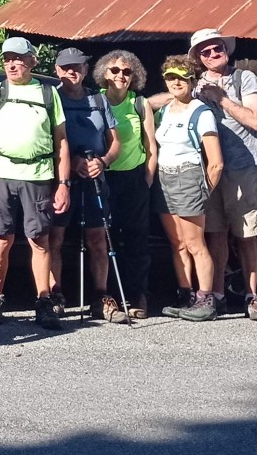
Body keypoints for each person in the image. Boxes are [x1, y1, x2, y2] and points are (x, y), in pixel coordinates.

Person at [0, 37, 71, 330]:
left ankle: (43, 300)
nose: (12, 64)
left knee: (39, 240)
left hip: (39, 175)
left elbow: (61, 141)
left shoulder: (49, 94)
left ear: (32, 61)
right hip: (0, 174)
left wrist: (63, 183)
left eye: (18, 58)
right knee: (1, 238)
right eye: (7, 59)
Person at [188, 28, 257, 322]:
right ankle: (218, 296)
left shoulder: (244, 78)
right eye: (206, 51)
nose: (213, 54)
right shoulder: (193, 85)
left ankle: (252, 297)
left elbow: (256, 120)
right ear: (198, 57)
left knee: (247, 234)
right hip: (207, 168)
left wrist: (221, 99)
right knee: (215, 234)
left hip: (242, 167)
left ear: (226, 49)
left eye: (217, 48)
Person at [51, 46, 118, 318]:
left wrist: (102, 162)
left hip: (94, 179)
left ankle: (101, 297)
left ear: (86, 70)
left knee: (98, 239)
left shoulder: (99, 101)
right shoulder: (51, 99)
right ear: (56, 70)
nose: (72, 71)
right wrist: (70, 163)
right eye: (66, 67)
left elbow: (115, 144)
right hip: (60, 180)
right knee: (54, 238)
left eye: (77, 67)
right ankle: (55, 295)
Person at [153, 55, 222, 322]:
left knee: (195, 243)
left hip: (188, 177)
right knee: (177, 243)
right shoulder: (166, 109)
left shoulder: (201, 112)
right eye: (170, 77)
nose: (175, 82)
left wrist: (203, 194)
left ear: (191, 79)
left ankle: (206, 299)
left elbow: (215, 163)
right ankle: (186, 294)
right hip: (164, 177)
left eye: (181, 77)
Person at [94, 49, 157, 319]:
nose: (121, 75)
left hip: (133, 178)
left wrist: (147, 178)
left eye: (127, 71)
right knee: (105, 237)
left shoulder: (139, 104)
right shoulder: (95, 102)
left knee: (136, 239)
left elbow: (150, 145)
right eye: (115, 70)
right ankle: (108, 296)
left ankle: (136, 293)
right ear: (104, 74)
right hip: (103, 177)